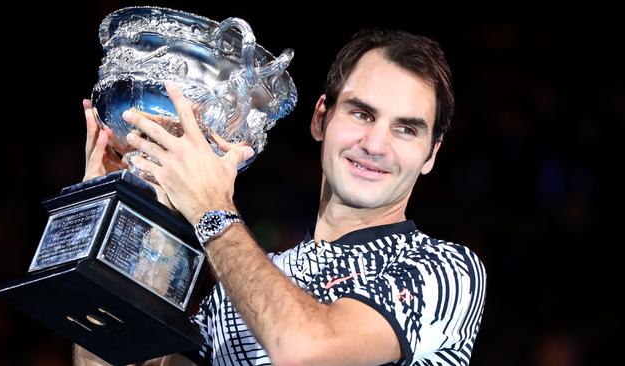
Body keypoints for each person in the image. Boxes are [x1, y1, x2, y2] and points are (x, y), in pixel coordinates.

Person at [76, 28, 487, 366]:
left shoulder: (444, 269)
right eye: (361, 113)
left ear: (431, 154)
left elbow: (307, 350)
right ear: (321, 118)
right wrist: (118, 215)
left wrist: (209, 206)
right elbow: (111, 358)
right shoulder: (243, 283)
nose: (375, 144)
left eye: (406, 129)